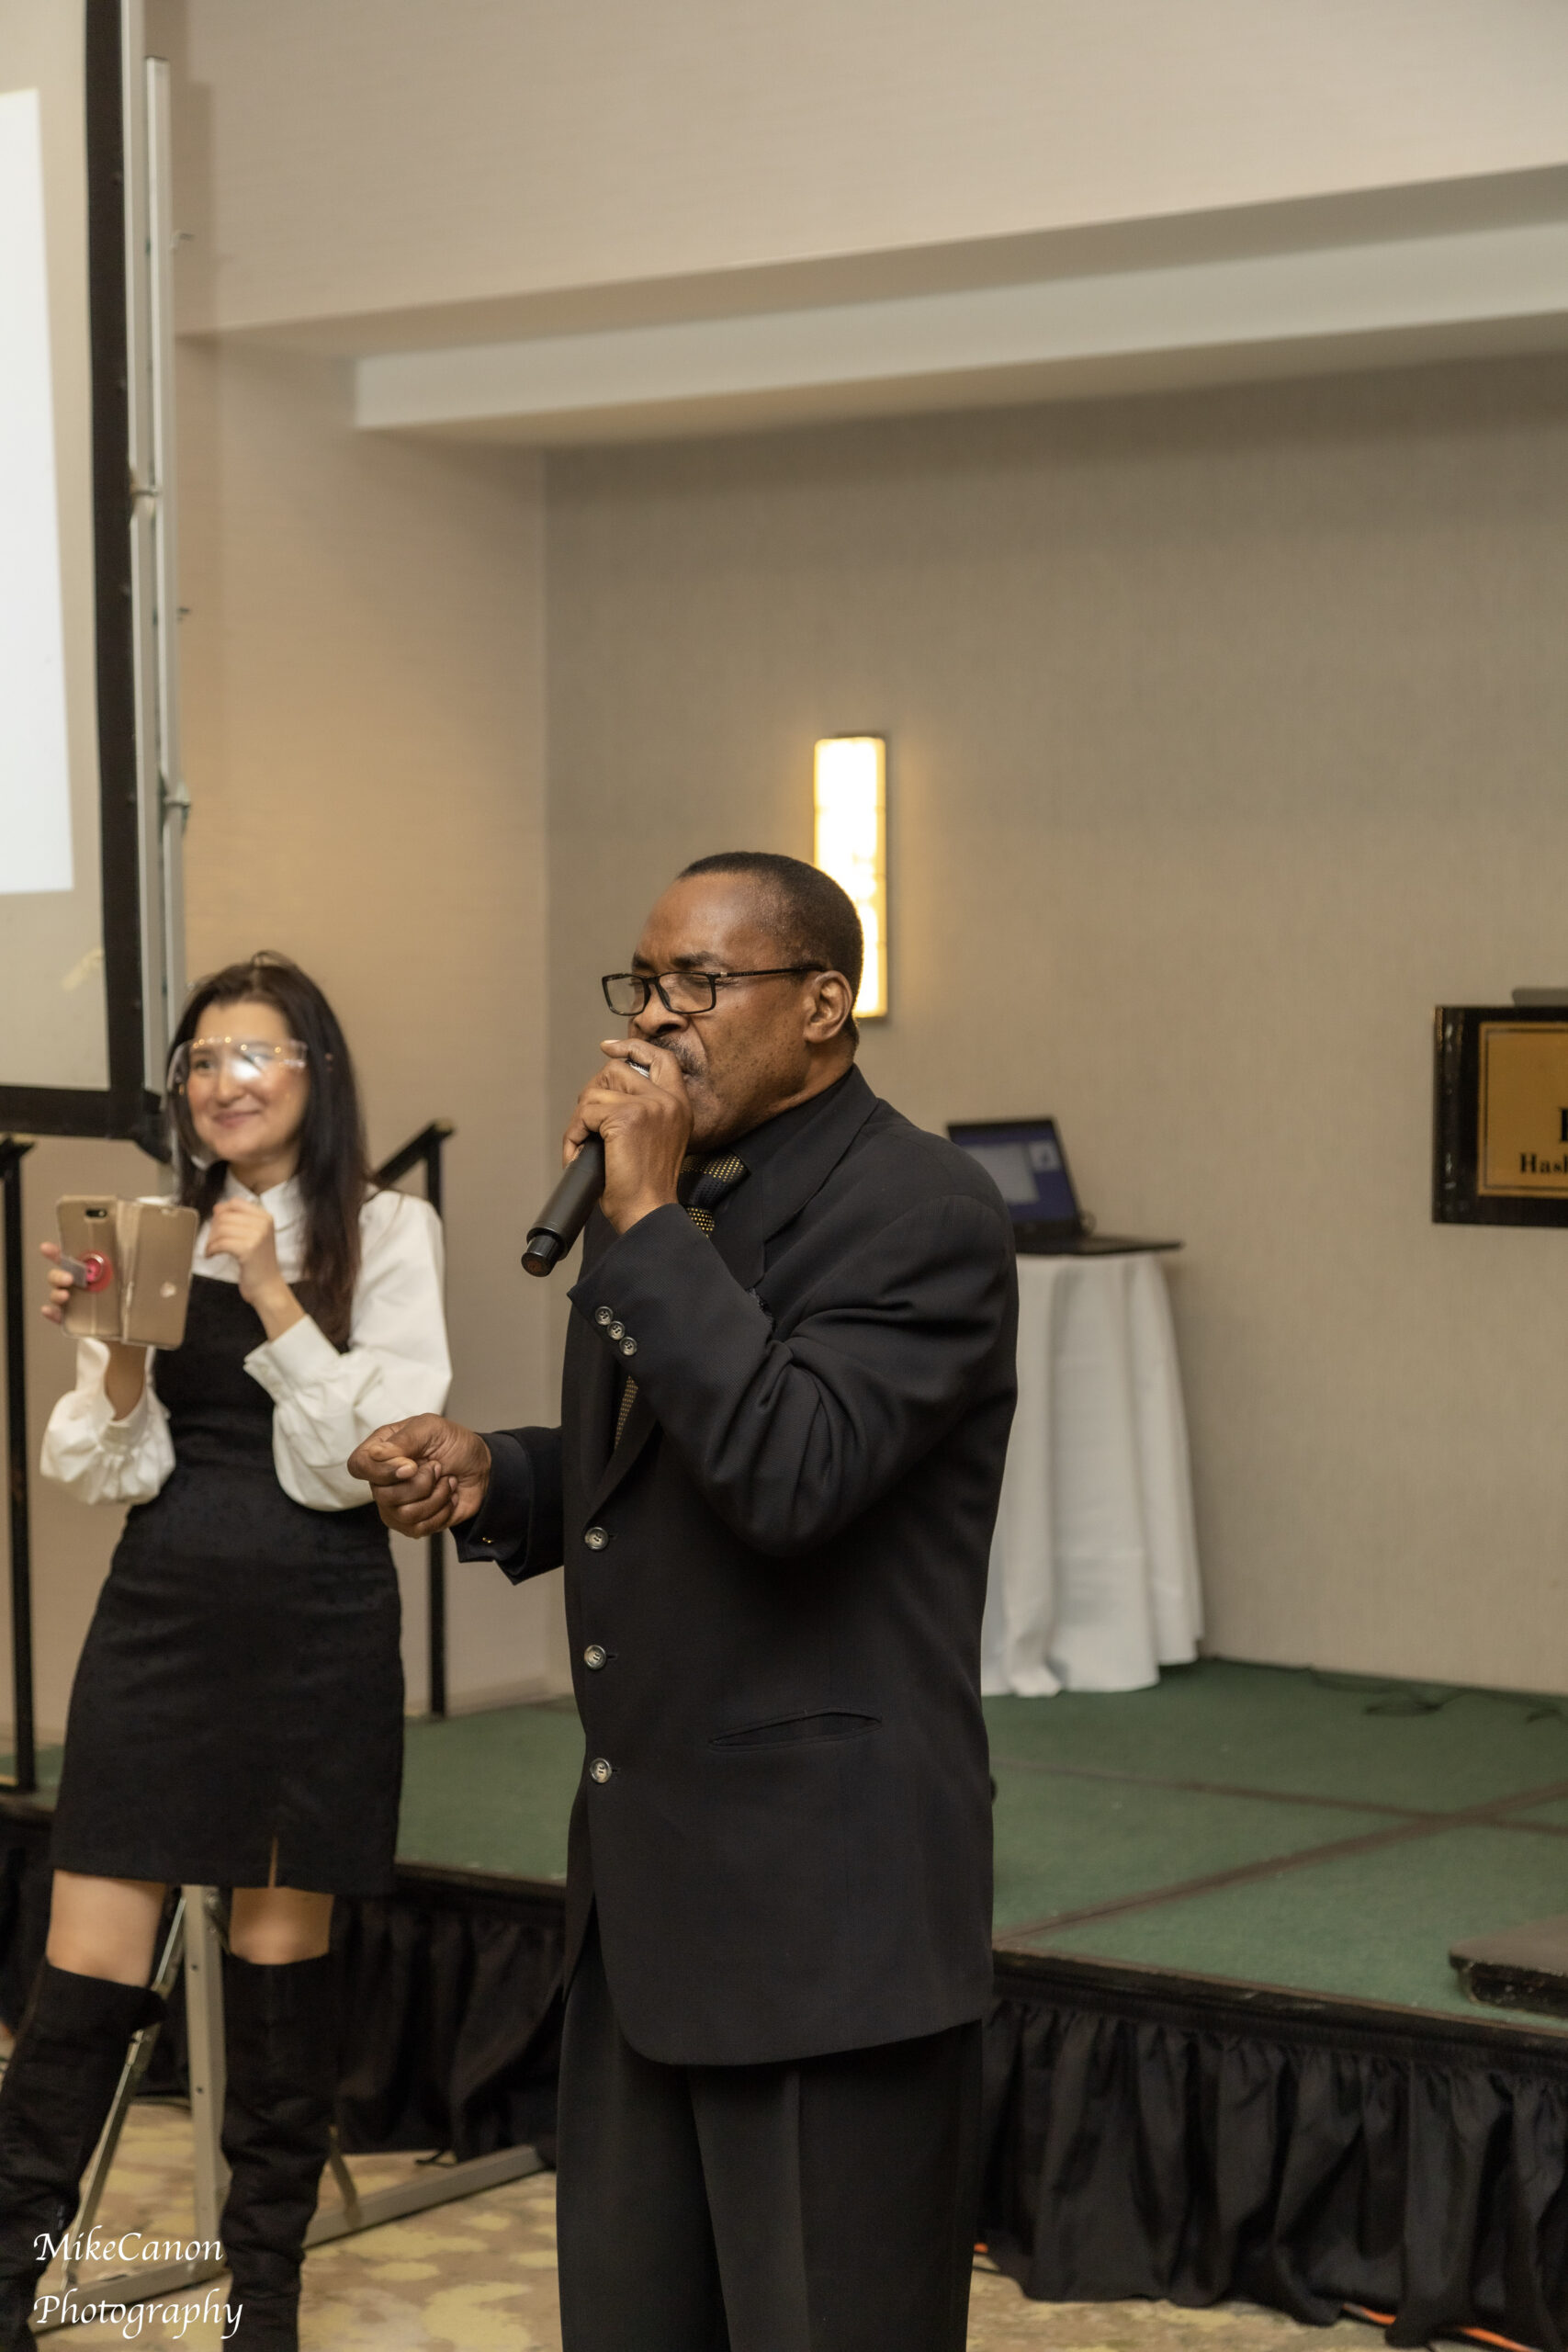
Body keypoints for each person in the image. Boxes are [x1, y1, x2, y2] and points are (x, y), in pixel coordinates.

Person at [353, 853, 1018, 2352]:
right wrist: (503, 1477)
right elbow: (662, 1461)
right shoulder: (680, 1203)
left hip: (825, 1922)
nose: (655, 1018)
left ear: (825, 1005)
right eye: (645, 982)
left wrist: (645, 1219)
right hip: (649, 1912)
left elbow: (793, 1474)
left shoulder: (924, 1209)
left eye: (701, 985)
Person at [0, 953, 451, 2352]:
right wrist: (120, 1349)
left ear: (317, 1073)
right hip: (162, 1614)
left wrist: (268, 1289)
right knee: (82, 1972)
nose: (221, 1082)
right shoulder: (155, 1231)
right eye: (201, 1060)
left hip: (317, 1621)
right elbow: (107, 1465)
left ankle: (265, 2304)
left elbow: (366, 1461)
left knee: (277, 1976)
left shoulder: (391, 1229)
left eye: (252, 1054)